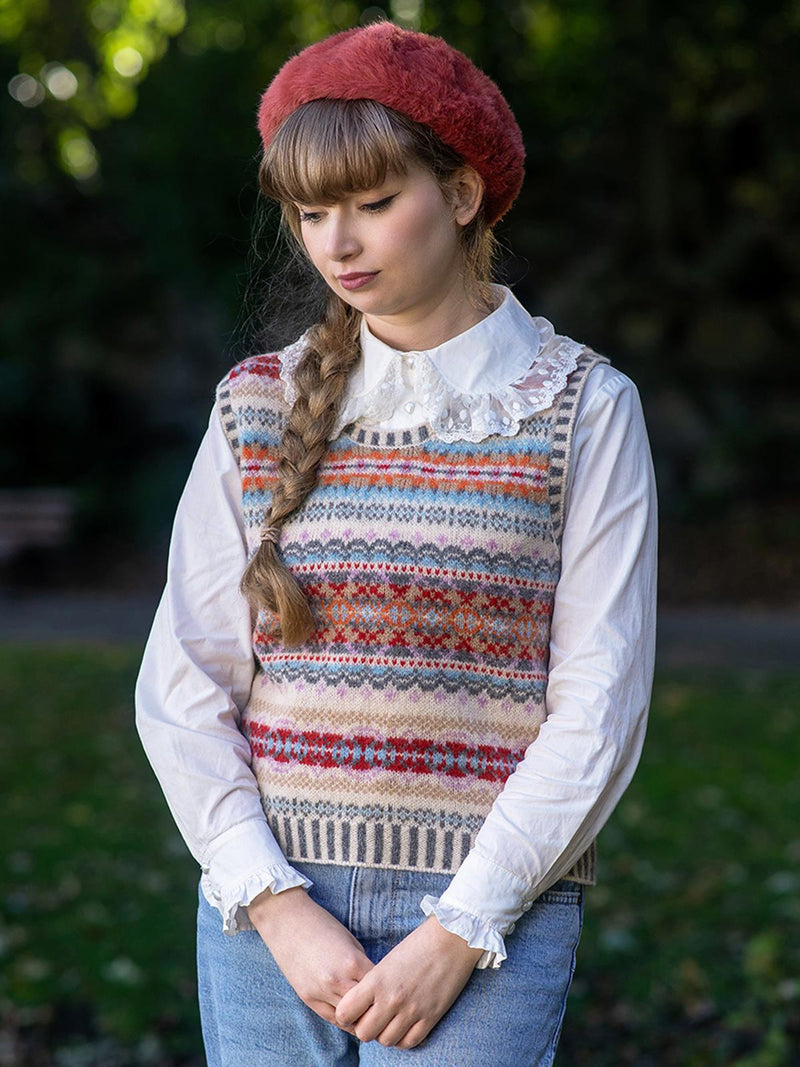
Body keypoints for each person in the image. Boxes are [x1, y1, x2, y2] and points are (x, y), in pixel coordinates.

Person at [135, 21, 657, 1067]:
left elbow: (598, 700)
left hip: (487, 914)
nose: (337, 242)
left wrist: (462, 926)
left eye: (374, 203)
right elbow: (184, 679)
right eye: (311, 211)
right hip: (269, 909)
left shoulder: (580, 409)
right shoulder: (256, 406)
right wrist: (276, 903)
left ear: (462, 194)